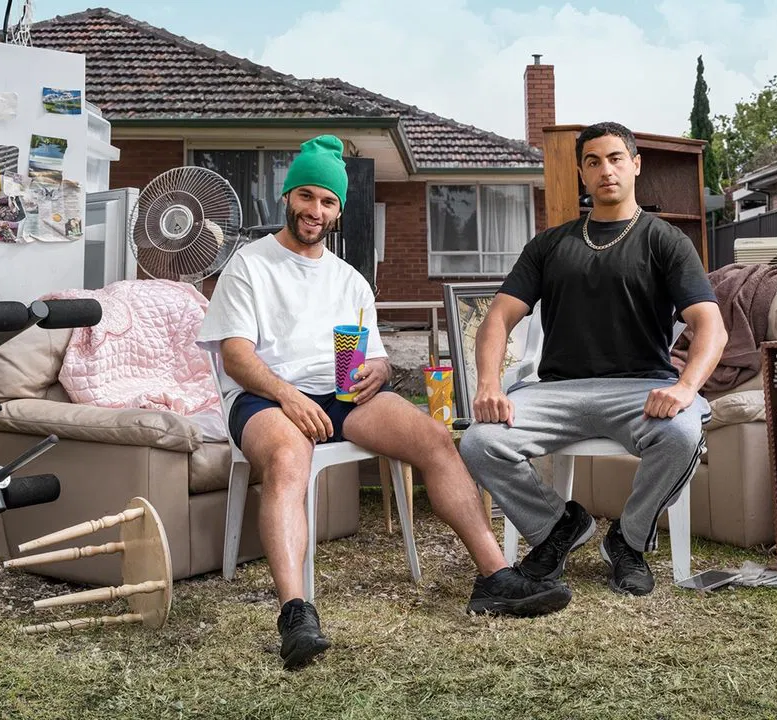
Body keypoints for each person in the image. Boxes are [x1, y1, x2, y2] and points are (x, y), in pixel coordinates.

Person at [198, 135, 572, 671]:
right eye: (307, 196)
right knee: (287, 457)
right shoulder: (249, 266)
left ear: (339, 211)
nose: (315, 210)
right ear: (287, 197)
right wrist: (288, 396)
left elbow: (369, 355)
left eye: (328, 202)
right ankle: (295, 613)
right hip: (265, 397)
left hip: (341, 393)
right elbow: (236, 357)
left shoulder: (349, 280)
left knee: (435, 438)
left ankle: (494, 577)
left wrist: (378, 369)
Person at [459, 122, 728, 598]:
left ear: (635, 165)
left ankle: (629, 540)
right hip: (556, 392)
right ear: (582, 173)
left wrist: (685, 387)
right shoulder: (549, 245)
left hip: (638, 391)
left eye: (616, 158)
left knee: (682, 434)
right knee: (479, 442)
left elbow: (710, 325)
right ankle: (558, 526)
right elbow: (497, 318)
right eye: (593, 161)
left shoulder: (665, 241)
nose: (606, 170)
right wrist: (488, 384)